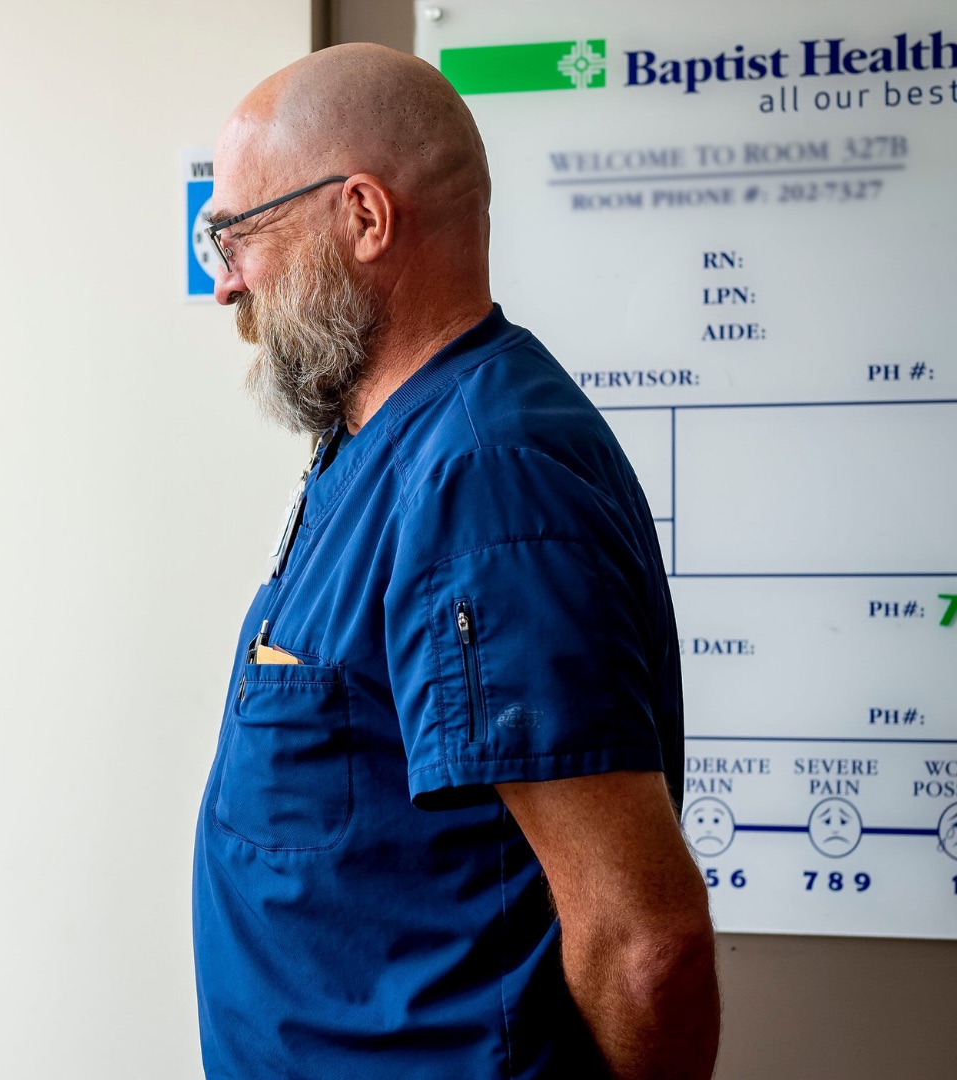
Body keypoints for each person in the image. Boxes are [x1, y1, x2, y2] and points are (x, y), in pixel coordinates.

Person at [191, 44, 718, 1079]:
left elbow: (646, 946)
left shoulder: (486, 482)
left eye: (241, 235)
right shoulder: (380, 447)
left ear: (365, 217)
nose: (227, 284)